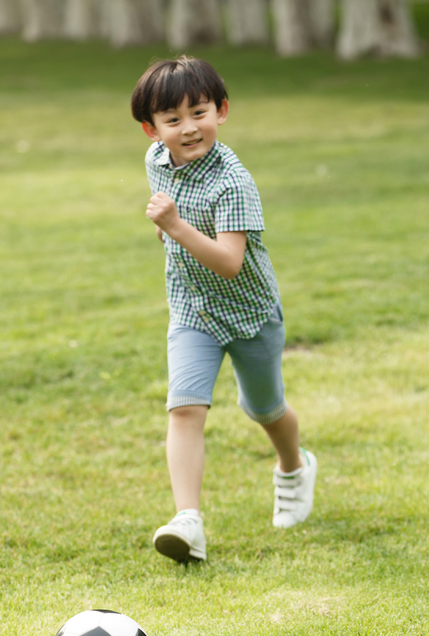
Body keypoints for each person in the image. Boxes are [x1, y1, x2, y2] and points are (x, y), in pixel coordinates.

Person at [131, 56, 317, 563]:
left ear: (222, 110)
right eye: (173, 120)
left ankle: (293, 468)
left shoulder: (233, 182)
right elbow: (170, 207)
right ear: (153, 129)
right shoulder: (157, 160)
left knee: (264, 408)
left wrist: (173, 227)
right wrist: (168, 226)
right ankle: (188, 520)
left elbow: (230, 262)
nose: (189, 128)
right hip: (192, 311)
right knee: (185, 407)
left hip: (249, 315)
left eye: (199, 112)